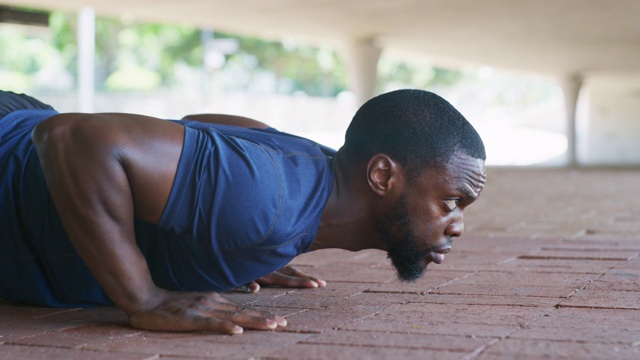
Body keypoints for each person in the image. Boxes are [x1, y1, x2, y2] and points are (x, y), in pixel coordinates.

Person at [0, 89, 486, 334]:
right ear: (382, 176)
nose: (457, 226)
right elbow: (71, 138)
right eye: (451, 201)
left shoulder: (293, 192)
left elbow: (200, 127)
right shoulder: (267, 199)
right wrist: (143, 296)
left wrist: (219, 239)